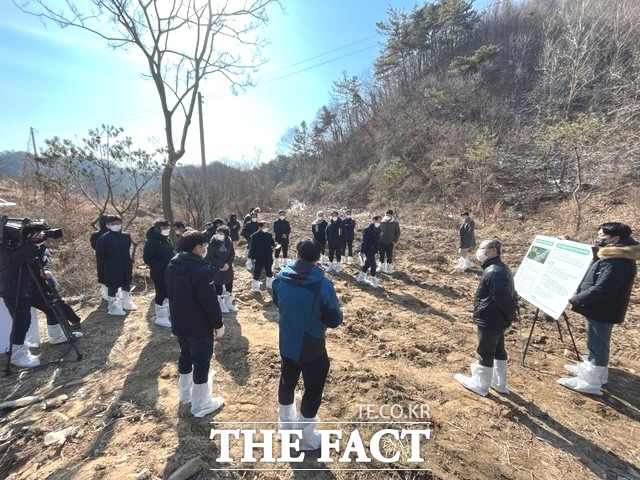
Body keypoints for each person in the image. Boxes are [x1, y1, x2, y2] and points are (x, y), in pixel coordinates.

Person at [272, 237, 343, 451]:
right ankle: (305, 439)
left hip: (287, 341)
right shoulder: (322, 284)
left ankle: (285, 429)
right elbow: (334, 320)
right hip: (312, 346)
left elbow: (277, 302)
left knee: (287, 381)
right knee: (313, 390)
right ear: (318, 257)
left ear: (296, 254)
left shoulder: (279, 279)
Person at [558, 222, 640, 395]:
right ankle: (593, 370)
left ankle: (590, 382)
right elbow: (593, 250)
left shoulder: (618, 262)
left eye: (602, 235)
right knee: (595, 341)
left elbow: (603, 289)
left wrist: (576, 299)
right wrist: (570, 241)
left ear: (615, 238)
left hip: (603, 309)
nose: (599, 237)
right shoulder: (614, 252)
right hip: (598, 307)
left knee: (598, 343)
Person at [165, 231, 225, 417]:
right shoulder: (200, 271)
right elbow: (210, 302)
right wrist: (218, 324)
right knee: (201, 362)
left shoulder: (172, 266)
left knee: (185, 356)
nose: (206, 249)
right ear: (197, 248)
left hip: (180, 322)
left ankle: (185, 394)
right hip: (198, 326)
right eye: (204, 246)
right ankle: (201, 404)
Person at [0, 232, 82, 368]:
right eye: (37, 233)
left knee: (53, 307)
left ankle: (56, 336)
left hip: (35, 286)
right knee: (22, 321)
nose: (41, 235)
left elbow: (45, 259)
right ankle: (17, 355)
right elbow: (12, 260)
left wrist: (45, 269)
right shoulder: (6, 246)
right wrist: (31, 245)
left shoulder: (37, 245)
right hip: (15, 290)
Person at [454, 238, 520, 397]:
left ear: (492, 251)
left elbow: (504, 296)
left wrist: (513, 314)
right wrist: (513, 312)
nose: (479, 251)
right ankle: (498, 382)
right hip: (498, 318)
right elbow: (512, 294)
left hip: (490, 318)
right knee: (498, 350)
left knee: (485, 351)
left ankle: (480, 385)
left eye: (482, 248)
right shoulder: (500, 268)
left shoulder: (493, 272)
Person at [95, 215, 137, 316]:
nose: (116, 225)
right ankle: (113, 307)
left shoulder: (126, 236)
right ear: (108, 226)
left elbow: (127, 250)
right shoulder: (103, 239)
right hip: (111, 267)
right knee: (112, 286)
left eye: (117, 223)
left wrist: (129, 262)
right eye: (112, 224)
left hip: (125, 264)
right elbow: (100, 257)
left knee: (126, 283)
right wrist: (101, 272)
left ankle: (127, 302)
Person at [143, 219, 174, 328]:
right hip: (159, 273)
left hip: (170, 271)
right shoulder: (151, 241)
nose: (166, 230)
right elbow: (148, 258)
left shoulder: (167, 239)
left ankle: (168, 312)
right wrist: (162, 265)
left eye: (167, 228)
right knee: (161, 293)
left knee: (169, 293)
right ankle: (161, 316)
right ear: (157, 229)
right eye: (163, 228)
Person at [206, 225, 237, 313]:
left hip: (228, 267)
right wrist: (222, 264)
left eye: (221, 233)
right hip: (216, 267)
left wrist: (227, 264)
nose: (218, 234)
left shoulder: (229, 241)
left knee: (229, 284)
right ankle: (220, 303)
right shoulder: (212, 242)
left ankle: (228, 302)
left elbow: (232, 254)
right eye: (218, 232)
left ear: (226, 235)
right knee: (218, 285)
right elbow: (211, 257)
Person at [248, 221, 275, 292]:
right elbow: (253, 248)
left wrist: (273, 246)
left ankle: (269, 284)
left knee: (269, 271)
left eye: (267, 226)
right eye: (264, 227)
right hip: (259, 257)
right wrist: (253, 257)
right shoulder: (255, 236)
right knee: (257, 271)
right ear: (260, 227)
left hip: (268, 256)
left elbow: (272, 243)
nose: (266, 228)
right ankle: (255, 287)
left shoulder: (269, 235)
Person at [357, 215, 382, 288]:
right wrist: (362, 251)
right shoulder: (368, 229)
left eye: (380, 221)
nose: (379, 223)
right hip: (368, 250)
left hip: (374, 249)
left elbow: (378, 240)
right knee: (373, 265)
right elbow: (364, 241)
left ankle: (360, 278)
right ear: (373, 220)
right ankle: (374, 280)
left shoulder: (378, 229)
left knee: (368, 264)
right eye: (378, 221)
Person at [89, 214, 109, 300]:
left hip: (102, 259)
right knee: (105, 277)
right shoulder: (96, 235)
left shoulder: (96, 234)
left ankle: (108, 296)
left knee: (105, 277)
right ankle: (108, 296)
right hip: (103, 259)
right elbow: (95, 246)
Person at [378, 209, 401, 274]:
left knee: (389, 255)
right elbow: (377, 231)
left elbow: (398, 233)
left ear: (391, 215)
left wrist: (394, 241)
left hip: (390, 242)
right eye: (386, 214)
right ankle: (381, 267)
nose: (387, 216)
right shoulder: (381, 222)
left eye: (389, 215)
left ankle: (389, 268)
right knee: (381, 255)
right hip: (381, 242)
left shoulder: (395, 223)